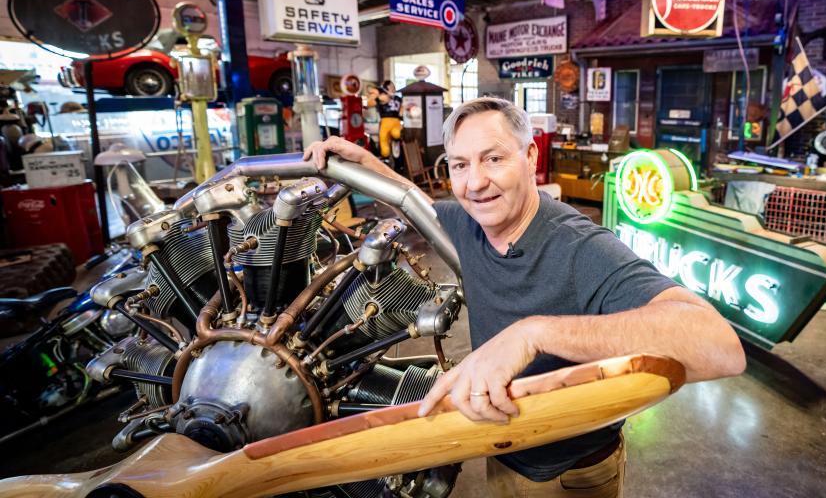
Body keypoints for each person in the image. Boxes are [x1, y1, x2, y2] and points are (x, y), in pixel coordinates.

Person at [304, 97, 745, 497]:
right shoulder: (471, 224)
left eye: (493, 159)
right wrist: (364, 162)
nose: (475, 182)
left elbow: (719, 347)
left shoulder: (579, 246)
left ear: (530, 156)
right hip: (505, 451)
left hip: (568, 474)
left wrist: (534, 333)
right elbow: (413, 202)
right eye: (459, 165)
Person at [369, 80, 401, 159]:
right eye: (389, 87)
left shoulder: (398, 98)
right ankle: (385, 155)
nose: (392, 89)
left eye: (392, 87)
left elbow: (403, 107)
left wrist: (401, 113)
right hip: (385, 121)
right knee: (383, 138)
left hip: (396, 121)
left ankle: (396, 143)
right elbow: (370, 103)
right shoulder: (381, 96)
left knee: (397, 134)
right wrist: (375, 96)